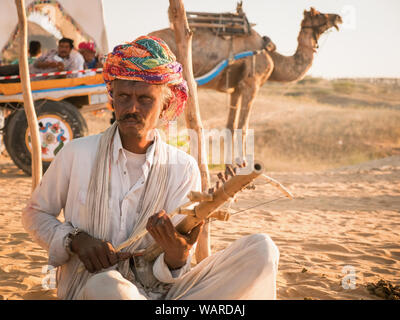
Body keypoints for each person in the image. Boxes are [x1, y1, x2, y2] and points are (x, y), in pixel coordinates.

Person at [22, 36, 279, 300]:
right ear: (113, 100)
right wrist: (73, 239)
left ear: (165, 105)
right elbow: (35, 214)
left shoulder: (183, 167)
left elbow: (176, 263)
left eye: (145, 99)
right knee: (110, 286)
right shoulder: (77, 153)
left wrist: (177, 256)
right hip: (93, 290)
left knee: (262, 249)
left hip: (164, 295)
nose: (132, 108)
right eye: (123, 97)